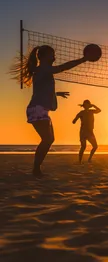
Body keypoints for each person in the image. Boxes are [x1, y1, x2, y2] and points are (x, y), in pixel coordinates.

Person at [12, 45, 88, 177]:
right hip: (37, 109)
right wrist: (83, 59)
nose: (54, 57)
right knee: (47, 139)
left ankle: (37, 169)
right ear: (43, 57)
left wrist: (56, 94)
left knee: (49, 139)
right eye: (51, 54)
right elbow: (63, 67)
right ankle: (36, 170)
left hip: (40, 109)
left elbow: (42, 90)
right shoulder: (43, 69)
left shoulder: (41, 70)